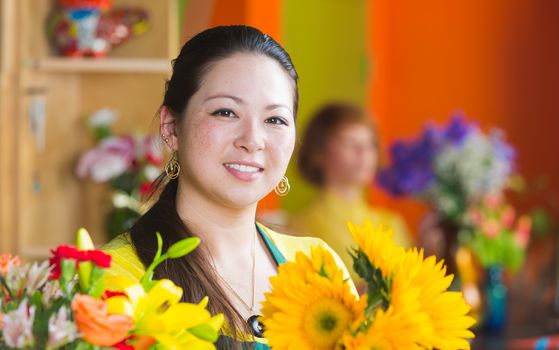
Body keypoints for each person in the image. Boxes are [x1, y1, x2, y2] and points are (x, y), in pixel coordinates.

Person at [102, 25, 355, 349]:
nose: (252, 140)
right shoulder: (115, 279)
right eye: (226, 112)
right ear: (171, 127)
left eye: (275, 119)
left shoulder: (319, 267)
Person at [288, 103, 412, 286]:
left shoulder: (393, 223)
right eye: (350, 143)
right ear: (318, 153)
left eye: (370, 144)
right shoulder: (300, 228)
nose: (365, 153)